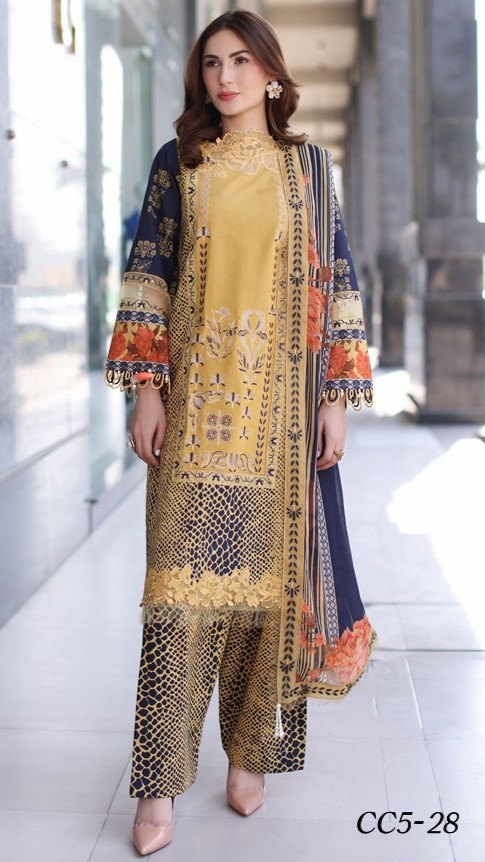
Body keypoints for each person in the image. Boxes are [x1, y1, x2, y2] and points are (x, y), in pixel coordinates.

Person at [105, 9, 378, 857]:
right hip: (193, 416)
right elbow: (147, 278)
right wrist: (145, 390)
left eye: (240, 61)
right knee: (176, 602)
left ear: (270, 73)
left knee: (266, 600)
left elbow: (336, 279)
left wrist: (335, 398)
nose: (224, 77)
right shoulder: (179, 162)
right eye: (211, 63)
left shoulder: (309, 169)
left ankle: (250, 756)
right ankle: (157, 785)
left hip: (281, 420)